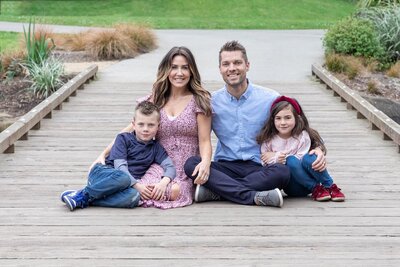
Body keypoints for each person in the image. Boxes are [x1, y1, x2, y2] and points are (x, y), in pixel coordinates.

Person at [184, 40, 327, 208]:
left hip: (260, 166)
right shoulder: (211, 102)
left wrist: (318, 147)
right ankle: (253, 196)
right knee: (191, 164)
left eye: (237, 62)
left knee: (282, 171)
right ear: (220, 69)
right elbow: (200, 136)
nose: (232, 68)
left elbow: (296, 124)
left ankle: (218, 191)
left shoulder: (270, 98)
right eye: (226, 64)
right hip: (225, 167)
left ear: (247, 65)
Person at [92, 46, 212, 209]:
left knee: (175, 191)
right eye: (174, 67)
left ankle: (92, 196)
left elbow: (205, 141)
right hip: (158, 161)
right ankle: (91, 194)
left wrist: (205, 163)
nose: (179, 73)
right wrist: (104, 153)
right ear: (166, 70)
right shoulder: (157, 98)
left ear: (191, 71)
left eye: (185, 67)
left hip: (186, 165)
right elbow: (130, 129)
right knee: (143, 190)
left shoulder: (199, 100)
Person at [60, 101, 177, 211]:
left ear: (158, 126)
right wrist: (137, 185)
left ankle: (84, 198)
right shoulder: (123, 139)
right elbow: (120, 167)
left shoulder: (156, 148)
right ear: (134, 125)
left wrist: (163, 183)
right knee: (124, 178)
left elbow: (170, 167)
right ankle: (84, 194)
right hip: (103, 173)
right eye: (141, 124)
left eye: (151, 125)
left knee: (134, 197)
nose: (145, 129)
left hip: (123, 185)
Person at [257, 95, 345, 201]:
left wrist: (317, 151)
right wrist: (276, 158)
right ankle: (316, 188)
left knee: (310, 156)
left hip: (306, 174)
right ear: (272, 120)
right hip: (292, 186)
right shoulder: (269, 140)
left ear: (297, 118)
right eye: (278, 118)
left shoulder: (302, 136)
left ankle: (329, 186)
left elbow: (302, 158)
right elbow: (264, 162)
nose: (283, 122)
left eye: (288, 118)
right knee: (290, 160)